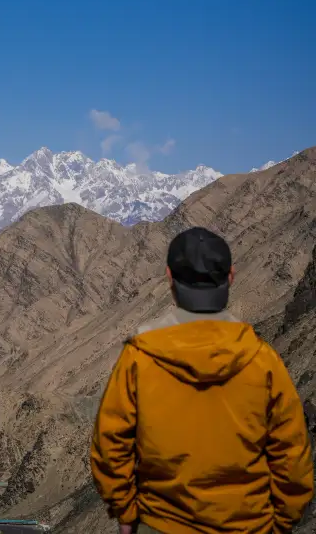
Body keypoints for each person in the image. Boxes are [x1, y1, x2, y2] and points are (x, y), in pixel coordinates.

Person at [90, 226, 313, 534]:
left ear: (169, 278)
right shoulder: (263, 361)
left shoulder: (140, 359)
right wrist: (283, 520)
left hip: (161, 525)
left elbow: (110, 446)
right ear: (231, 277)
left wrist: (126, 512)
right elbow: (292, 455)